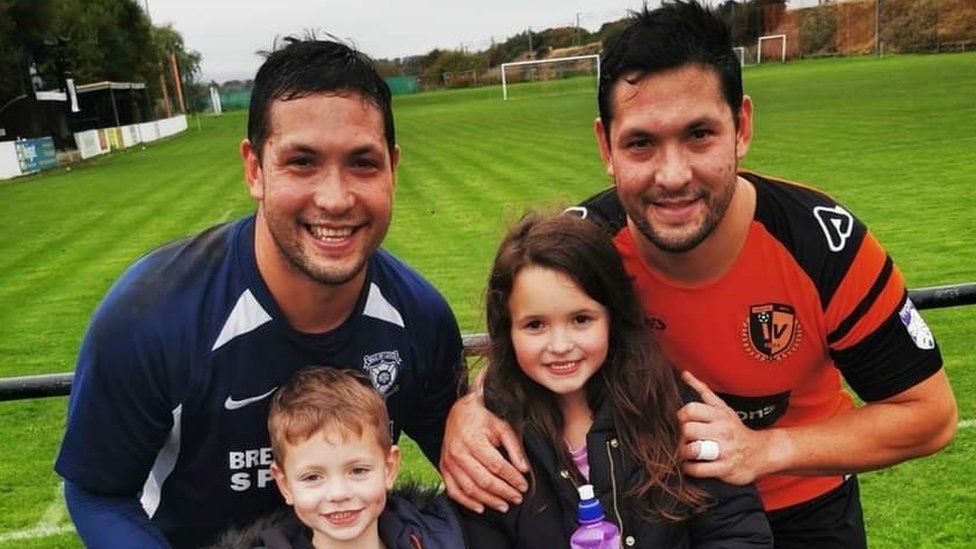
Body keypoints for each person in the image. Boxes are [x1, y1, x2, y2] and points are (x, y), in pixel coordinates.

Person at [440, 2, 957, 548]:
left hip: (809, 508)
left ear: (742, 128)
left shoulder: (824, 245)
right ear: (605, 146)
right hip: (669, 514)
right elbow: (528, 336)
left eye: (699, 135)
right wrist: (470, 411)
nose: (673, 174)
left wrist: (765, 450)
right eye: (641, 142)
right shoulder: (586, 246)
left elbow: (928, 415)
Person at [56, 38, 464, 548]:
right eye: (302, 162)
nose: (335, 198)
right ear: (255, 169)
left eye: (363, 162)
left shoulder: (420, 319)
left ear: (393, 169)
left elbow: (470, 462)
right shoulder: (149, 317)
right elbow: (97, 492)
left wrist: (473, 412)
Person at [458, 212, 772, 548]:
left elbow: (738, 532)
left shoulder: (676, 410)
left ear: (612, 316)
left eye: (581, 319)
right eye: (535, 325)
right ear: (508, 329)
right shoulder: (491, 443)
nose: (560, 346)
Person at [209, 366, 465, 548]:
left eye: (358, 471)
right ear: (284, 484)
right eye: (312, 477)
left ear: (389, 467)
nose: (338, 493)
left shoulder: (442, 538)